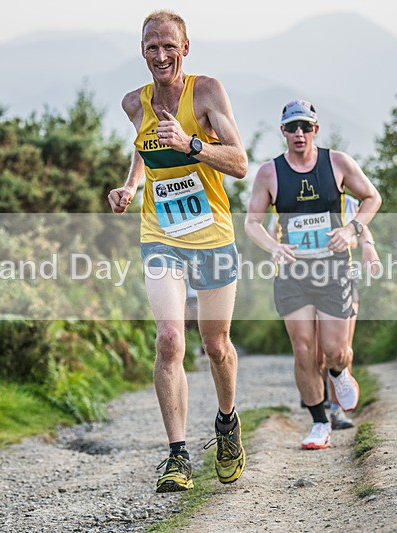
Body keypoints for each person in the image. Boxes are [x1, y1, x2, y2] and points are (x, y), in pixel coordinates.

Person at [108, 10, 248, 492]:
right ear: (142, 51)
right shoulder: (134, 102)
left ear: (185, 48)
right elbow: (143, 150)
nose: (161, 55)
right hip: (161, 236)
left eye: (170, 46)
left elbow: (240, 163)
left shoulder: (206, 92)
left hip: (212, 236)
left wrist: (192, 145)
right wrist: (129, 186)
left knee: (216, 345)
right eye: (152, 47)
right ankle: (177, 455)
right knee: (169, 339)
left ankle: (227, 423)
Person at [245, 100, 381, 450]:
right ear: (283, 132)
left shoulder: (337, 163)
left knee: (335, 350)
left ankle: (339, 372)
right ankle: (319, 421)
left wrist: (352, 230)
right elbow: (252, 223)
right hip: (292, 272)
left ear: (316, 129)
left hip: (333, 269)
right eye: (292, 127)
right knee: (304, 350)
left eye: (306, 126)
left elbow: (371, 198)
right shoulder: (269, 173)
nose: (299, 133)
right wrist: (272, 247)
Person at [320, 194, 380, 430]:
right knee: (318, 352)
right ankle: (319, 404)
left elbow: (363, 229)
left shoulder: (349, 202)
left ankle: (337, 410)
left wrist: (367, 246)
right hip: (307, 279)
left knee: (342, 346)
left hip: (344, 279)